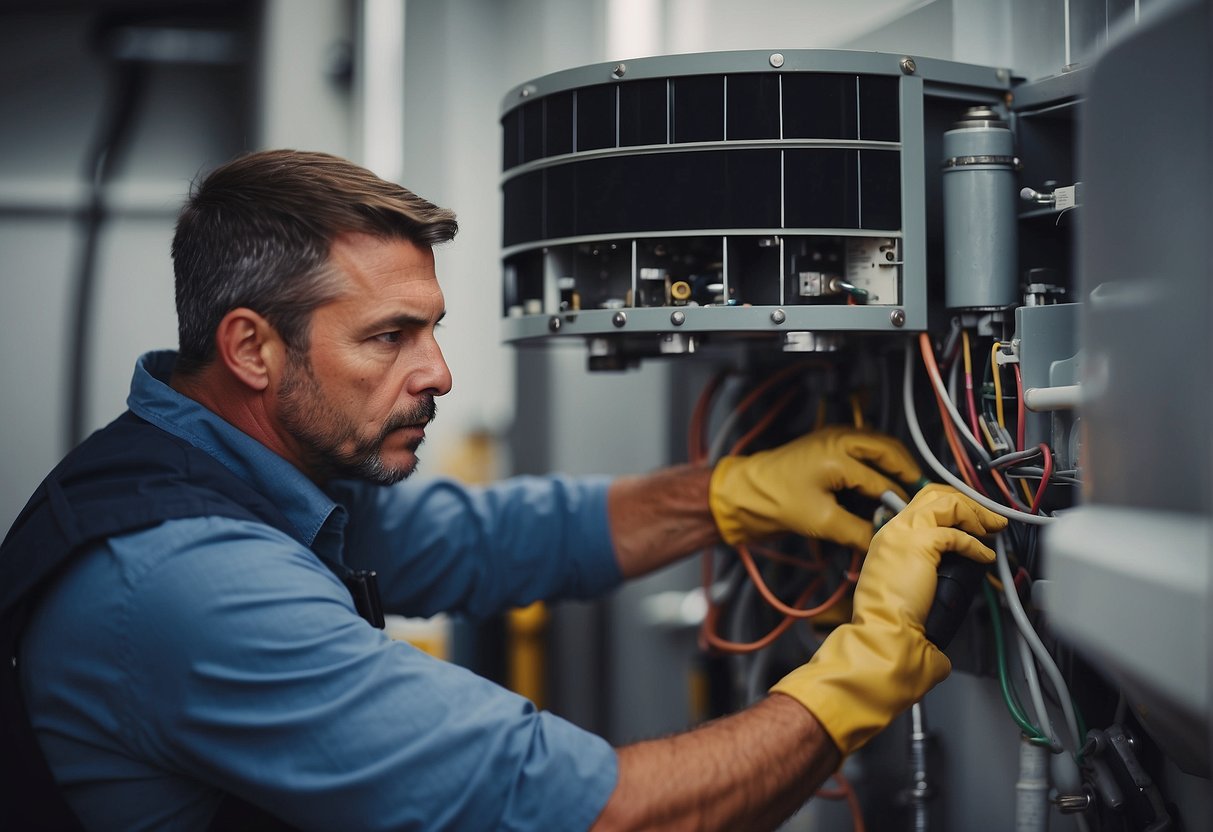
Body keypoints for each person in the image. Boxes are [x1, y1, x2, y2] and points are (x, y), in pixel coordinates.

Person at [0, 149, 1006, 831]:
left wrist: (730, 492)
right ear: (252, 348)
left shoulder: (243, 468)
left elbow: (479, 538)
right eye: (389, 336)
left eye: (430, 328)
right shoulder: (190, 587)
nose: (438, 373)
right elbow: (607, 816)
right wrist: (863, 667)